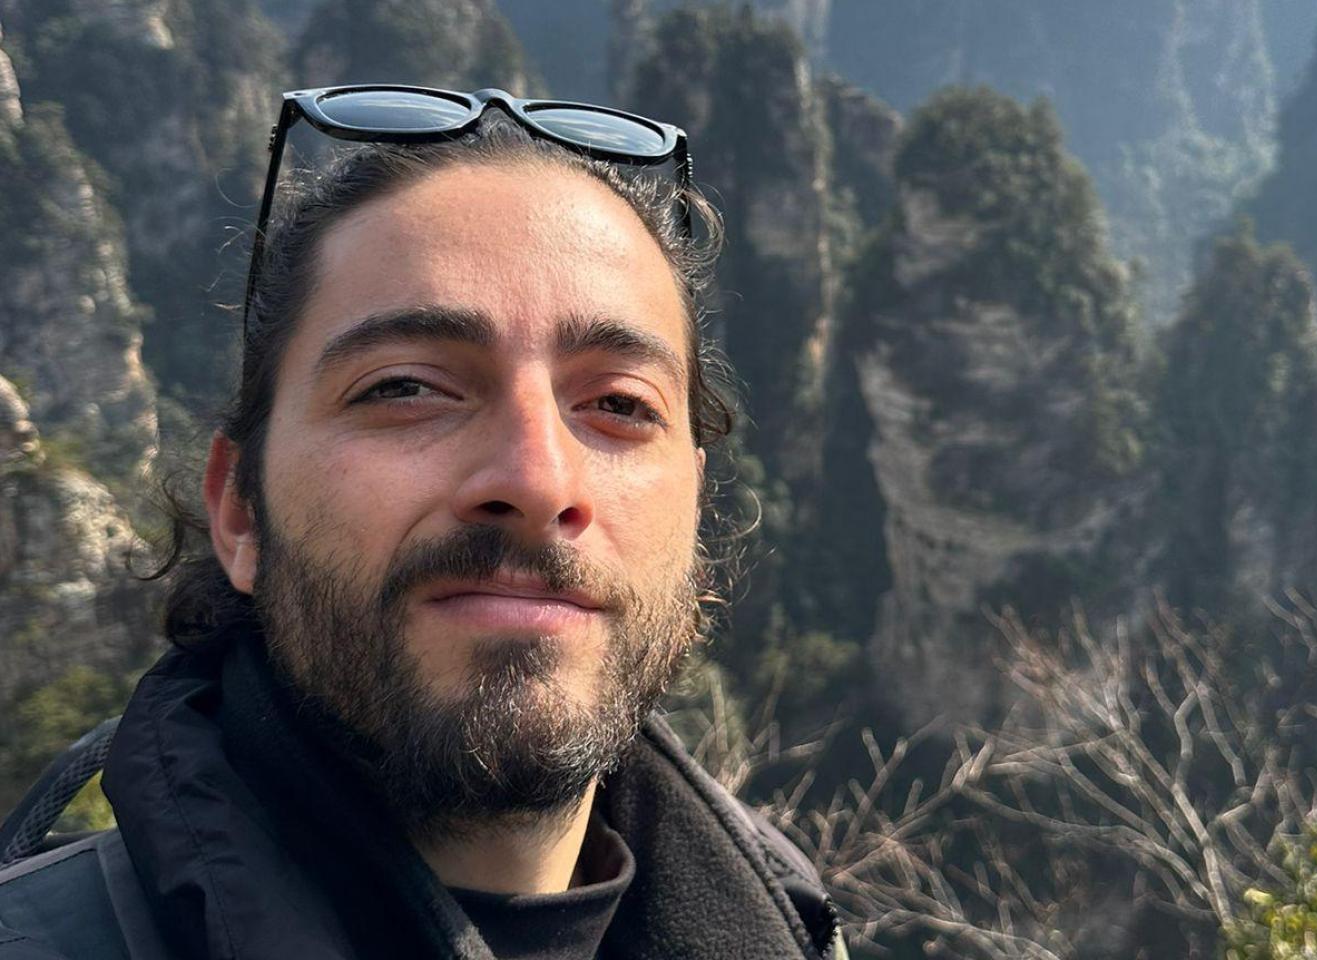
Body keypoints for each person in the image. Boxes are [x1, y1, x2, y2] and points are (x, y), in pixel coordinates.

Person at [0, 86, 846, 959]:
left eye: (620, 404)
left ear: (694, 511)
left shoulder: (799, 924)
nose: (537, 479)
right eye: (405, 387)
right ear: (241, 510)